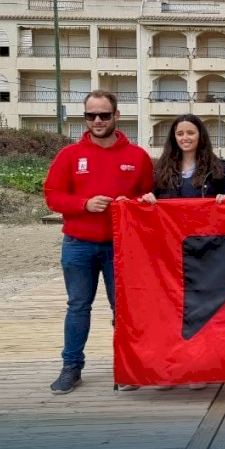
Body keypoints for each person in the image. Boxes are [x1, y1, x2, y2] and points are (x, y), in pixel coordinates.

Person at [44, 90, 153, 394]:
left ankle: (127, 368)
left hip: (121, 247)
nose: (97, 121)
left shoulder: (138, 157)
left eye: (104, 115)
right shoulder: (69, 155)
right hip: (78, 244)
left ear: (117, 116)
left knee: (124, 310)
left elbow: (148, 198)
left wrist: (133, 203)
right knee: (78, 306)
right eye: (90, 115)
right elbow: (52, 196)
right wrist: (84, 204)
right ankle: (71, 367)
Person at [138, 114, 225, 391]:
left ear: (200, 135)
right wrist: (148, 200)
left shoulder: (218, 169)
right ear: (173, 137)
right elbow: (150, 204)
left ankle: (198, 367)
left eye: (191, 132)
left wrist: (224, 201)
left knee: (202, 310)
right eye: (180, 133)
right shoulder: (160, 169)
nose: (185, 138)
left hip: (205, 251)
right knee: (170, 309)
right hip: (170, 252)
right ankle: (170, 369)